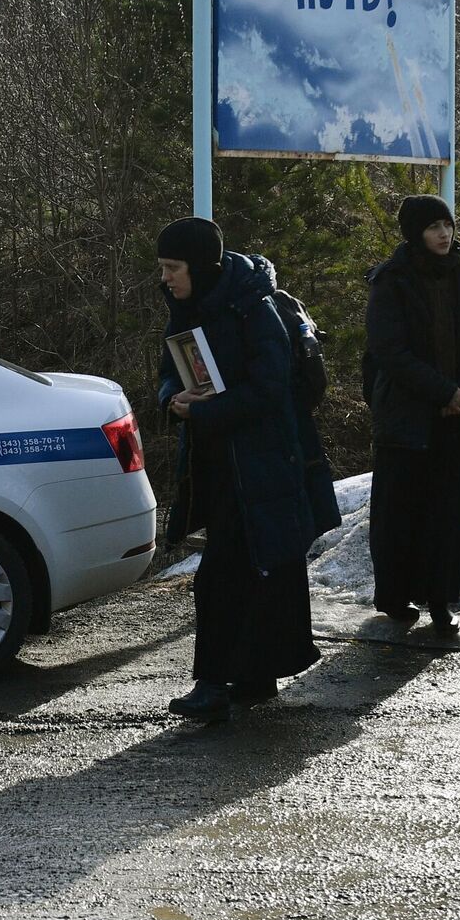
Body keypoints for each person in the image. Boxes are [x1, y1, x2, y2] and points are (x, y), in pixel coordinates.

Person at [156, 217, 321, 724]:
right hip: (217, 464)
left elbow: (269, 391)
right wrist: (172, 399)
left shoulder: (254, 308)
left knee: (224, 575)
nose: (165, 278)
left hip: (260, 464)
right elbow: (168, 373)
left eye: (173, 268)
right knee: (253, 569)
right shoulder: (186, 307)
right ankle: (255, 674)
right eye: (163, 268)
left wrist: (201, 410)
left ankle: (211, 684)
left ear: (201, 266)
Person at [364, 195, 460, 639]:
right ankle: (396, 597)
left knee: (450, 514)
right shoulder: (391, 282)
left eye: (447, 224)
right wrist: (443, 391)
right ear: (414, 233)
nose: (444, 234)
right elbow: (391, 353)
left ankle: (441, 601)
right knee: (400, 512)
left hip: (459, 417)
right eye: (433, 227)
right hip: (407, 418)